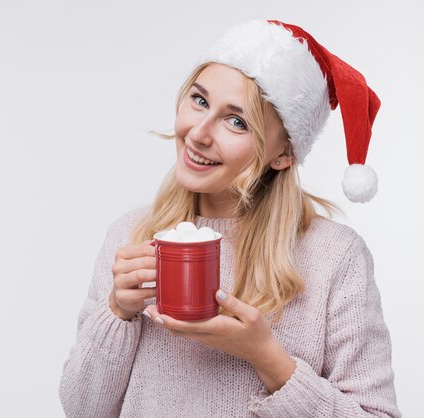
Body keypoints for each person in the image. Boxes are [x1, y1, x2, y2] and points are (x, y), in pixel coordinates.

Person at [59, 19, 400, 417]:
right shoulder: (130, 236)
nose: (198, 133)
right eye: (200, 100)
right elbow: (82, 409)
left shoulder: (334, 257)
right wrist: (118, 311)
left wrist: (267, 357)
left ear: (284, 154)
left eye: (236, 121)